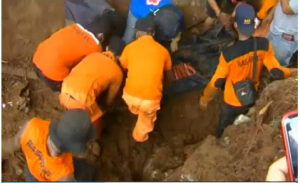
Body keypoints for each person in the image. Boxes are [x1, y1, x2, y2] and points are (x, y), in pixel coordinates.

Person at [199, 3, 294, 138]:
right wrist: (291, 73)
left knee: (223, 125)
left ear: (236, 25)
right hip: (251, 96)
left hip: (232, 101)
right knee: (244, 121)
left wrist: (205, 99)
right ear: (254, 24)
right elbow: (276, 71)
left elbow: (217, 82)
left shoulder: (229, 53)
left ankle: (219, 141)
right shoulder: (264, 44)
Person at [59, 37, 125, 154]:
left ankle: (70, 121)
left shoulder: (93, 55)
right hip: (81, 100)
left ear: (107, 48)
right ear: (120, 57)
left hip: (64, 90)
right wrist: (105, 108)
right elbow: (109, 100)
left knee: (75, 111)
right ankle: (94, 139)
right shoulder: (117, 73)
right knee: (97, 120)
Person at [2, 109, 97, 181]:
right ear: (74, 147)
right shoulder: (65, 173)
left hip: (32, 173)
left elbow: (12, 143)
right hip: (50, 177)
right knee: (88, 170)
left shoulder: (32, 127)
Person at [120, 17, 174, 142]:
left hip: (129, 97)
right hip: (150, 100)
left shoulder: (129, 48)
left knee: (136, 106)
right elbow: (170, 77)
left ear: (137, 33)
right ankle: (139, 138)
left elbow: (123, 68)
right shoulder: (163, 51)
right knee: (146, 119)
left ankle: (134, 111)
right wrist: (162, 89)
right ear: (153, 34)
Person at [33, 17, 110, 92]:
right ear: (101, 36)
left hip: (37, 58)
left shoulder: (74, 26)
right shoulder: (96, 47)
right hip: (52, 74)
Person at [266, 0, 298, 67]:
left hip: (285, 41)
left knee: (276, 67)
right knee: (267, 61)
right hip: (275, 32)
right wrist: (271, 14)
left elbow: (286, 9)